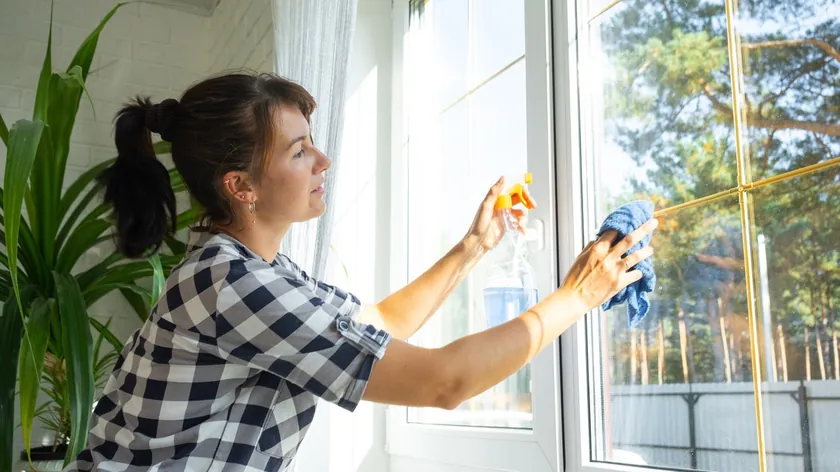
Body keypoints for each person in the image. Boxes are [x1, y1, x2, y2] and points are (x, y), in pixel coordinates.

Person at [65, 71, 656, 471]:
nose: (323, 159)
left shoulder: (260, 272)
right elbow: (442, 382)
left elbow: (374, 323)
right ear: (240, 186)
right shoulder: (231, 284)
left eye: (312, 142)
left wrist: (473, 246)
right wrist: (577, 297)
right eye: (298, 151)